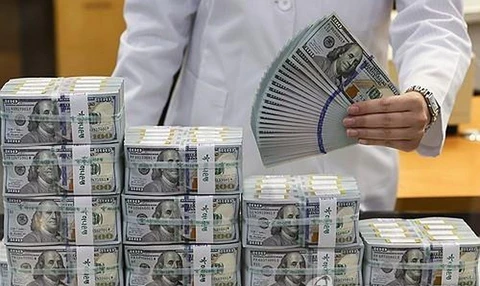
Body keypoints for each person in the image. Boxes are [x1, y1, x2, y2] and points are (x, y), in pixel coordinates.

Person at [113, 1, 471, 211]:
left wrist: (426, 96)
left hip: (347, 163)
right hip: (215, 167)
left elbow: (434, 21)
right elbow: (152, 40)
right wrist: (110, 169)